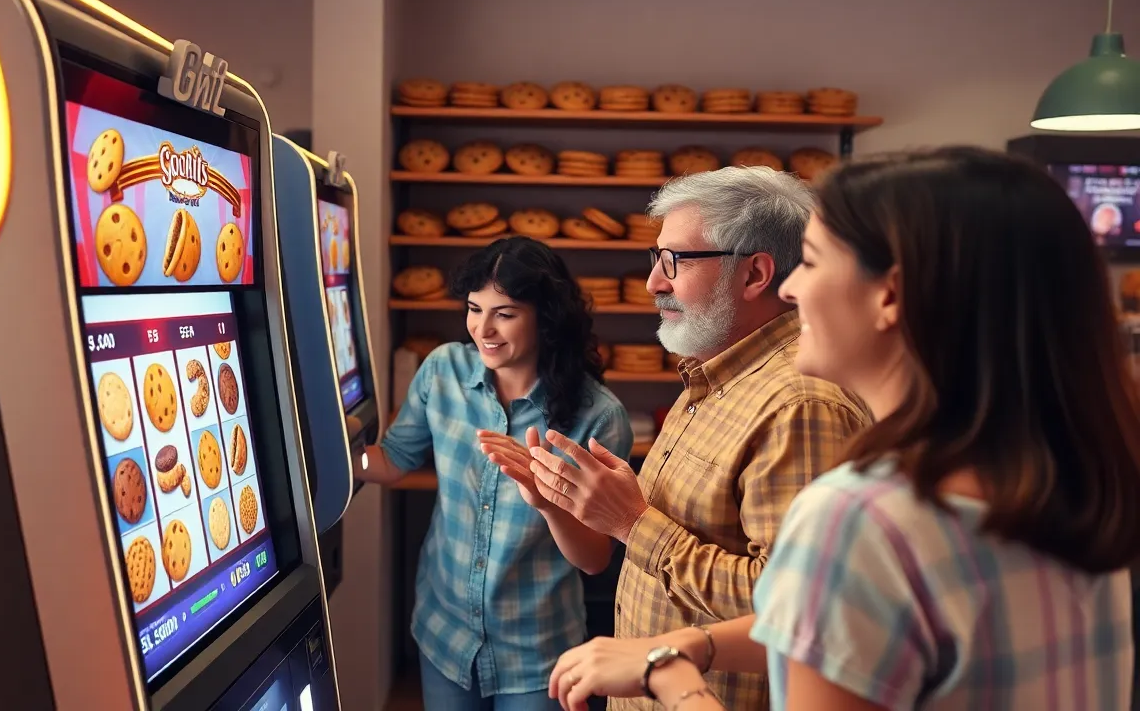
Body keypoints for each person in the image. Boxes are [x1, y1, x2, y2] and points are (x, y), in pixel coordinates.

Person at [545, 146, 1140, 710]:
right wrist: (694, 644)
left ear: (890, 295)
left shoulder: (861, 515)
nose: (794, 288)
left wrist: (666, 672)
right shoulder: (1080, 484)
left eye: (813, 261)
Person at [485, 166, 869, 710]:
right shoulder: (712, 372)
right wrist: (582, 504)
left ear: (755, 274)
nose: (654, 282)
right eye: (655, 259)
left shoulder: (801, 406)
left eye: (676, 261)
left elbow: (795, 608)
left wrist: (632, 522)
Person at [356, 236, 634, 710]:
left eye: (504, 313)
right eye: (473, 308)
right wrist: (330, 449)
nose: (483, 328)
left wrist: (546, 502)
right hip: (445, 635)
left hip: (539, 652)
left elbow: (593, 559)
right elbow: (393, 461)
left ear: (545, 321)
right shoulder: (442, 370)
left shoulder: (598, 417)